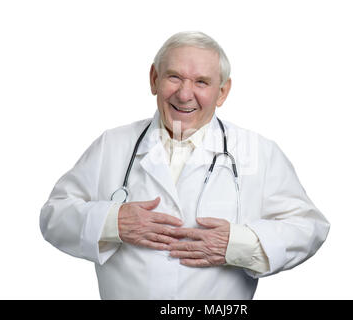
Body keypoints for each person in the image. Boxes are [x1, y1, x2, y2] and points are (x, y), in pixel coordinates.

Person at [40, 31, 330, 300]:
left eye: (201, 82)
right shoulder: (112, 145)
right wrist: (113, 222)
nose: (184, 94)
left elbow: (309, 228)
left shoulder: (259, 152)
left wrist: (238, 245)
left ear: (222, 92)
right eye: (174, 77)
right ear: (154, 79)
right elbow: (53, 216)